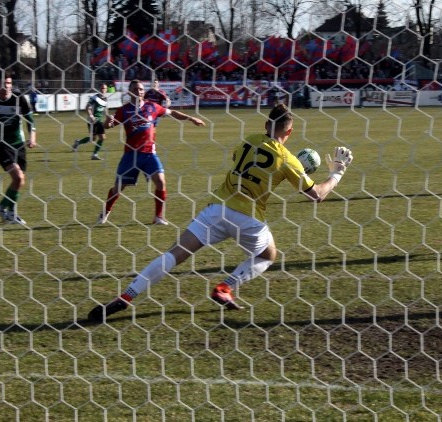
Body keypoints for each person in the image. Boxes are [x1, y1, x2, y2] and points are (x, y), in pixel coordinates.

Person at [87, 104, 354, 322]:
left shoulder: (248, 140)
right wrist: (337, 173)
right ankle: (226, 287)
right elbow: (316, 195)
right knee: (268, 254)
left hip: (216, 210)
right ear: (291, 131)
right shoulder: (288, 160)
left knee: (173, 255)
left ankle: (127, 295)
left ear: (265, 126)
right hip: (248, 219)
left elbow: (244, 161)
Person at [98, 79, 205, 226]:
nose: (139, 91)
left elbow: (171, 112)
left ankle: (158, 217)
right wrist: (107, 123)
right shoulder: (124, 110)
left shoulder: (152, 107)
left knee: (161, 182)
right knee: (118, 188)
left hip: (149, 154)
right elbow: (108, 125)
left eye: (141, 89)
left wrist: (190, 118)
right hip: (131, 155)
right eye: (135, 89)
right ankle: (105, 213)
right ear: (129, 92)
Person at [0, 74, 38, 225]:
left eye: (9, 83)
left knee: (19, 181)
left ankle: (5, 209)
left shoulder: (19, 99)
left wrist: (32, 137)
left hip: (18, 143)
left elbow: (30, 121)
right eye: (3, 83)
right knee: (18, 177)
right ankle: (8, 211)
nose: (7, 86)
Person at [72, 83, 109, 160]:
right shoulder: (94, 98)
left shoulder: (105, 99)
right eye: (102, 88)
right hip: (91, 120)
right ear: (99, 89)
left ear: (106, 89)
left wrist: (108, 117)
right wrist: (91, 116)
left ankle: (94, 155)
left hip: (99, 121)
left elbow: (105, 110)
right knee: (93, 139)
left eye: (104, 88)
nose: (103, 90)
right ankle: (78, 143)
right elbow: (87, 107)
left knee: (102, 137)